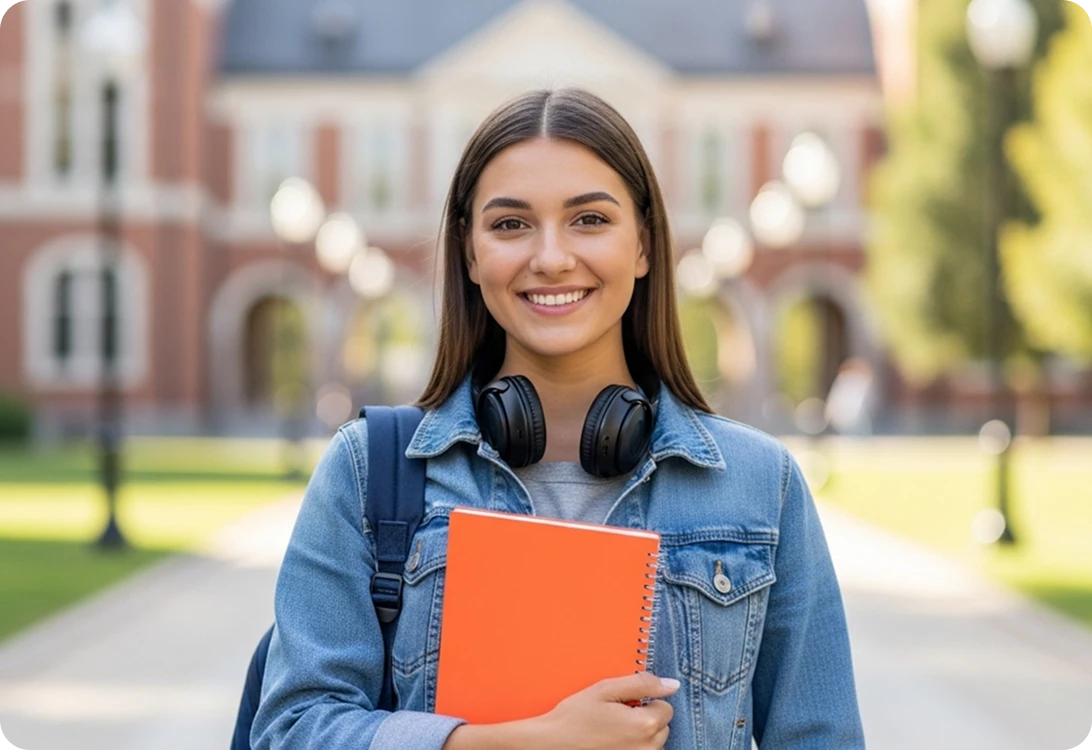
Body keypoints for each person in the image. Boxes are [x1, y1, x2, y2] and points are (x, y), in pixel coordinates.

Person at [252, 88, 865, 749]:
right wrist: (516, 742)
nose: (550, 257)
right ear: (470, 253)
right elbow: (292, 729)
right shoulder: (368, 470)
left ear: (643, 246)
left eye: (590, 220)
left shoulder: (759, 485)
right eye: (511, 224)